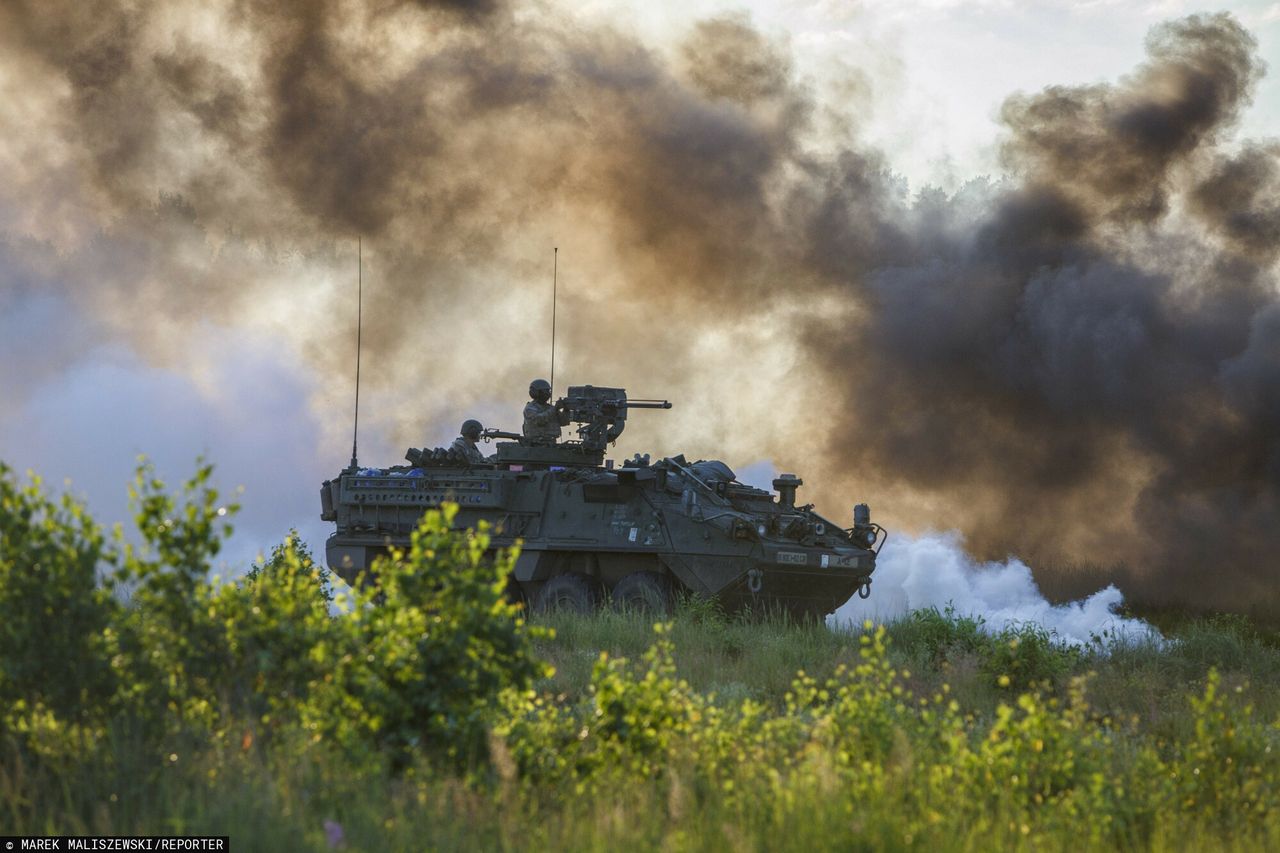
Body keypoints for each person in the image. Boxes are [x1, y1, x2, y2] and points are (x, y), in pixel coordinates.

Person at [522, 378, 566, 444]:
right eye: (546, 391)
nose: (548, 393)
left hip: (551, 443)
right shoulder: (530, 408)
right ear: (537, 392)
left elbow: (564, 422)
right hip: (535, 444)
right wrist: (555, 408)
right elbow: (539, 420)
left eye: (549, 391)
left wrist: (566, 409)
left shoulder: (550, 408)